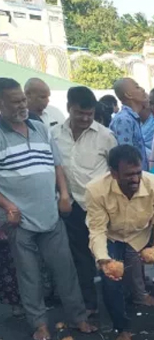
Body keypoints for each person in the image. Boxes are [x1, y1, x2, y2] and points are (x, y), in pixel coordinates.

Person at [0, 78, 96, 340]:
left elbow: (57, 166)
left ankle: (78, 318)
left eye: (22, 99)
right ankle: (39, 324)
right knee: (29, 275)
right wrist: (8, 206)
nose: (22, 105)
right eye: (15, 101)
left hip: (51, 214)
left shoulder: (40, 127)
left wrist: (64, 194)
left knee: (65, 268)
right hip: (19, 219)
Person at [85, 145, 154, 340]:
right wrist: (103, 259)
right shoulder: (96, 190)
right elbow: (97, 228)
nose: (135, 179)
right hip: (113, 235)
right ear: (114, 173)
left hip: (144, 232)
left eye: (138, 172)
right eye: (129, 175)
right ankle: (122, 329)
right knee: (110, 281)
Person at [51, 86, 118, 315]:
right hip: (71, 205)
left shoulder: (105, 136)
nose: (85, 118)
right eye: (80, 113)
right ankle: (90, 304)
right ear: (69, 108)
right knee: (80, 256)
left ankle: (117, 302)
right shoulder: (55, 135)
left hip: (100, 205)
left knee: (106, 254)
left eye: (89, 114)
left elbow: (116, 169)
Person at [110, 78, 149, 170]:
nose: (142, 89)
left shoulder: (132, 118)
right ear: (128, 95)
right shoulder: (124, 120)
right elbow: (126, 158)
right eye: (137, 87)